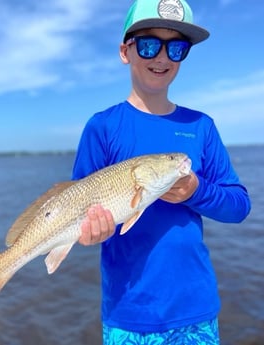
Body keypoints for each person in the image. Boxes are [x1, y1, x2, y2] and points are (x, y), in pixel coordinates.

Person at [72, 0, 251, 344]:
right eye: (149, 44)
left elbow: (239, 206)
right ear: (126, 51)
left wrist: (197, 190)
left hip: (195, 311)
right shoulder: (103, 127)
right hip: (128, 314)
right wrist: (89, 232)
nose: (162, 57)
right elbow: (79, 206)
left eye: (177, 47)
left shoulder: (200, 126)